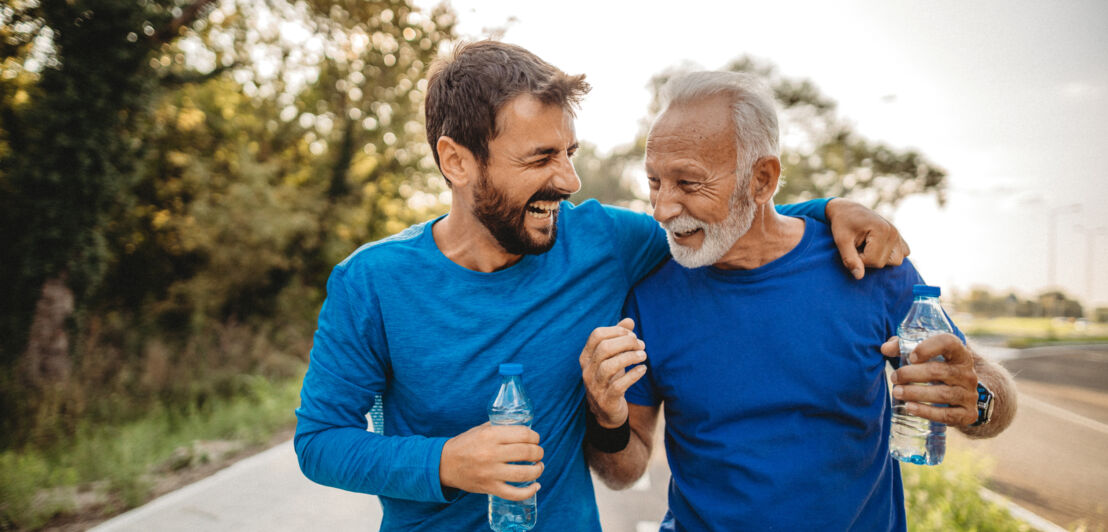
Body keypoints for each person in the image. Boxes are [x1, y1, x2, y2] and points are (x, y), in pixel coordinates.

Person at [294, 41, 911, 532]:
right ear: (457, 161)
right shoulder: (370, 282)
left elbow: (725, 217)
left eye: (569, 151)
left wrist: (829, 209)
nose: (569, 178)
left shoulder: (603, 243)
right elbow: (320, 442)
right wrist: (445, 462)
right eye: (540, 158)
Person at [580, 71, 1018, 531]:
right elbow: (624, 472)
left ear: (762, 179)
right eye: (654, 182)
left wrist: (977, 399)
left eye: (689, 184)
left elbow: (988, 392)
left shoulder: (866, 263)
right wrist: (606, 418)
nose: (663, 208)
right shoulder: (651, 293)